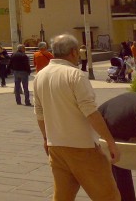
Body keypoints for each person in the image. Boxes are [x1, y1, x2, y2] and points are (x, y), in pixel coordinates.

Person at [33, 33, 121, 201]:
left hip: (56, 146)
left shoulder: (40, 76)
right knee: (108, 196)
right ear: (74, 52)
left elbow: (39, 112)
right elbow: (91, 112)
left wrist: (46, 138)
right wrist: (110, 142)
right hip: (83, 147)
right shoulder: (75, 75)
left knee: (63, 196)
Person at [98, 92, 136, 201]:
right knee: (119, 163)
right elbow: (110, 142)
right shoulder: (117, 122)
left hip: (130, 108)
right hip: (105, 122)